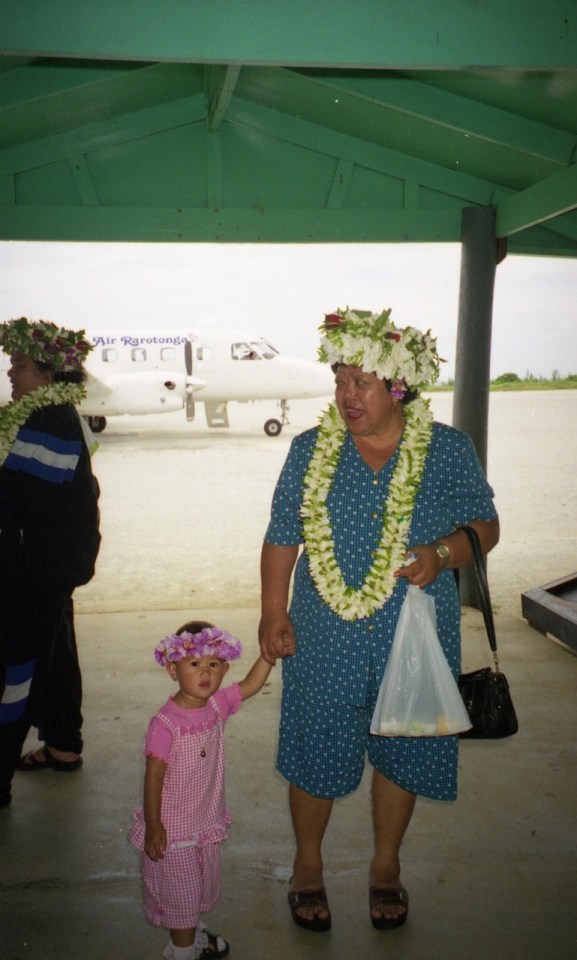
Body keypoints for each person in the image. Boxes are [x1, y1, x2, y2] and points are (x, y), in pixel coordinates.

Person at [258, 307, 500, 932]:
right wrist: (272, 611)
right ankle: (308, 866)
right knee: (316, 747)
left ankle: (385, 868)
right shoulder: (310, 449)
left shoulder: (446, 449)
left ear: (397, 386)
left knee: (403, 750)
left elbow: (486, 524)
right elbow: (283, 534)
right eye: (339, 381)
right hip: (324, 633)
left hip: (415, 632)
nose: (345, 395)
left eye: (359, 383)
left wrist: (442, 553)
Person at [130, 620, 293, 960]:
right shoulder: (165, 724)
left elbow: (250, 684)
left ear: (224, 668)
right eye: (195, 664)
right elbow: (153, 777)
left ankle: (190, 934)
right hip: (173, 831)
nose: (206, 673)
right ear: (172, 670)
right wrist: (154, 824)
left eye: (214, 665)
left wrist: (268, 654)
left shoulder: (216, 706)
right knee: (182, 893)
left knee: (196, 886)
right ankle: (183, 950)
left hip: (202, 821)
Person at [0, 317, 101, 808]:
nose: (10, 374)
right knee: (55, 652)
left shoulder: (50, 421)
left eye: (18, 365)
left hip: (38, 569)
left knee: (22, 667)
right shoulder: (55, 415)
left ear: (45, 374)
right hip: (50, 568)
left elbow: (13, 500)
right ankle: (62, 744)